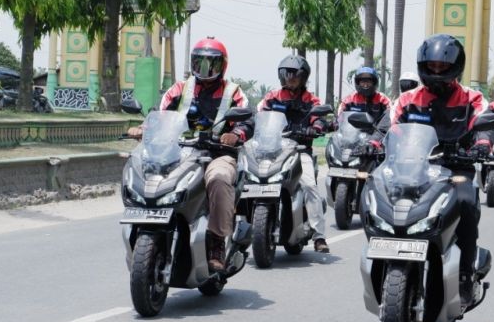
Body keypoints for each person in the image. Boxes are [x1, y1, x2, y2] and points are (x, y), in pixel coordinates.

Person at [126, 37, 253, 274]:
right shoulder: (179, 88)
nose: (204, 69)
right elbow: (159, 114)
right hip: (178, 151)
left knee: (219, 178)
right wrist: (143, 129)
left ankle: (216, 241)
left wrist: (235, 135)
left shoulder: (233, 92)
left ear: (221, 65)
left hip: (217, 154)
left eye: (211, 64)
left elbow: (248, 121)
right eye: (199, 62)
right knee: (148, 171)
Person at [391, 34, 494, 306]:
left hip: (455, 170)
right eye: (431, 66)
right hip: (413, 169)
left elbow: (486, 123)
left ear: (455, 66)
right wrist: (375, 142)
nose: (436, 71)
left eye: (442, 66)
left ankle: (465, 274)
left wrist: (483, 143)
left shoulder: (472, 98)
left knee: (467, 202)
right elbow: (387, 127)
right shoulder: (407, 99)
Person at [260, 55, 331, 253]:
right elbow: (261, 117)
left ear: (303, 77)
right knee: (249, 180)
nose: (290, 78)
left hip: (299, 151)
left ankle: (319, 236)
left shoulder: (311, 99)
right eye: (286, 74)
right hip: (272, 151)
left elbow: (320, 118)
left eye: (294, 75)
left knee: (309, 185)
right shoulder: (272, 97)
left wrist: (315, 127)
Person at [338, 66, 391, 150]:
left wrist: (375, 139)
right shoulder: (348, 100)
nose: (365, 85)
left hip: (377, 142)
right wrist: (334, 123)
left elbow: (390, 118)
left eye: (368, 81)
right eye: (363, 81)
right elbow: (340, 118)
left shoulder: (383, 100)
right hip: (352, 140)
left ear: (374, 83)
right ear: (358, 83)